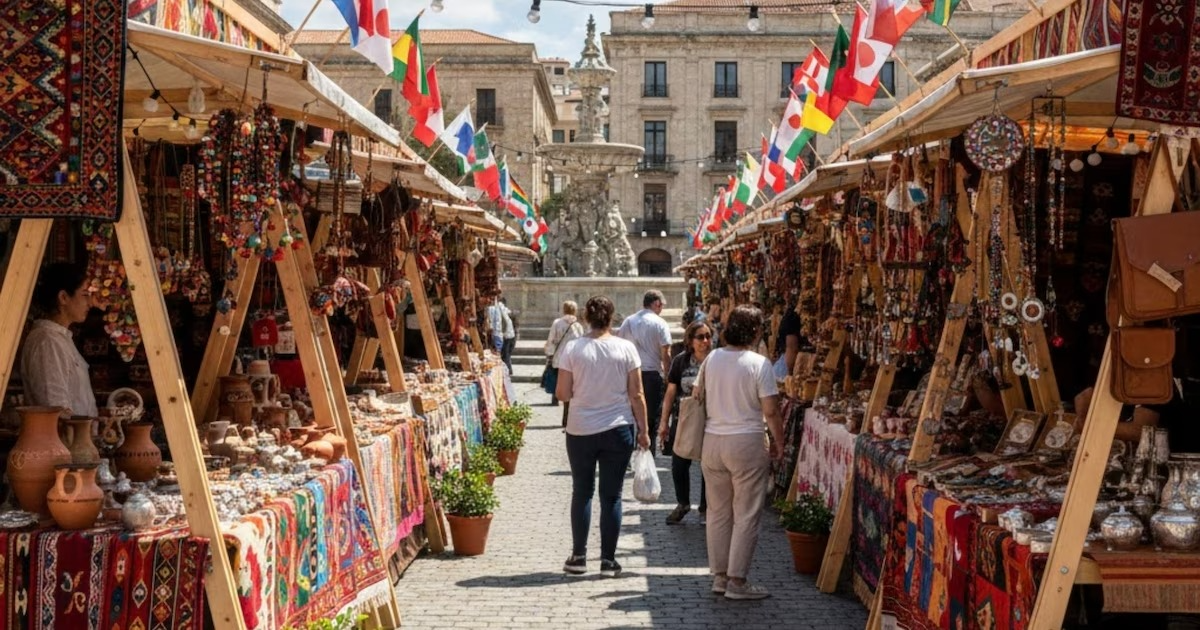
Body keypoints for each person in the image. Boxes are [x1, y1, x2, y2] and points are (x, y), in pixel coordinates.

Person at [555, 296, 651, 577]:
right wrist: (644, 431)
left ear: (586, 317)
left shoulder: (573, 348)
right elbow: (637, 394)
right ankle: (608, 560)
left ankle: (578, 556)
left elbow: (562, 393)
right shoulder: (626, 348)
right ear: (612, 318)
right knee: (611, 496)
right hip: (618, 428)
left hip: (580, 428)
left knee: (582, 492)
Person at [699, 305, 784, 600]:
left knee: (718, 512)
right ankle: (737, 581)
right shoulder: (759, 364)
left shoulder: (711, 358)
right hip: (746, 441)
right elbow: (771, 411)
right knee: (746, 513)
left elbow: (698, 395)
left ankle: (720, 577)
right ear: (756, 331)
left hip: (713, 441)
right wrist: (779, 442)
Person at [20, 262, 98, 417]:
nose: (89, 302)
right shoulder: (47, 341)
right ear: (63, 297)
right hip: (64, 440)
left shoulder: (60, 338)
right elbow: (54, 408)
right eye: (84, 294)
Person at [659, 321, 713, 525]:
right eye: (700, 337)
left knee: (708, 464)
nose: (705, 341)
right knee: (679, 463)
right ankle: (682, 503)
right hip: (684, 418)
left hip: (710, 418)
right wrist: (664, 422)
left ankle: (706, 508)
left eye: (708, 336)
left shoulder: (715, 360)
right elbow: (671, 392)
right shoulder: (681, 361)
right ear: (690, 340)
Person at [617, 290, 672, 455]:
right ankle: (648, 453)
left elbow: (620, 345)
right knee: (651, 416)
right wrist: (668, 376)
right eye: (661, 305)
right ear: (656, 303)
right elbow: (666, 353)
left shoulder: (629, 321)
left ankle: (627, 452)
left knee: (629, 414)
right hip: (652, 374)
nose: (661, 308)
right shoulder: (660, 323)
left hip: (631, 373)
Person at [544, 301, 584, 406]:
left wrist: (549, 352)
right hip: (572, 357)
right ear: (575, 311)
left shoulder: (557, 322)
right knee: (571, 379)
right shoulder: (578, 326)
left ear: (564, 310)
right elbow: (581, 341)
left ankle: (555, 398)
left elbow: (551, 339)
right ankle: (569, 399)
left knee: (557, 377)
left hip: (558, 356)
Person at [772, 300, 804, 380]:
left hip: (781, 365)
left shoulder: (788, 317)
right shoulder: (792, 318)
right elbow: (791, 348)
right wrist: (790, 375)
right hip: (785, 367)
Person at [499, 297, 517, 373]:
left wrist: (502, 333)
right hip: (511, 334)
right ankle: (509, 370)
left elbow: (503, 323)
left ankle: (507, 371)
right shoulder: (505, 309)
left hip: (506, 335)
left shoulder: (499, 307)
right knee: (507, 354)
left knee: (505, 354)